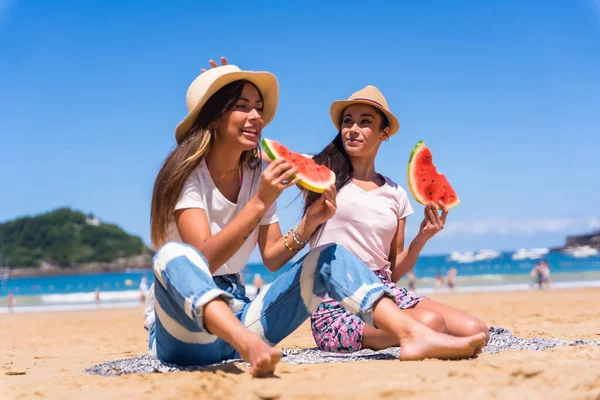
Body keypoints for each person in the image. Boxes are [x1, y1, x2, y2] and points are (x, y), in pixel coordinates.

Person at [143, 60, 487, 377]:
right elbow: (202, 261)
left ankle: (411, 334)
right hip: (183, 334)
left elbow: (274, 258)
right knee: (172, 255)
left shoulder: (257, 175)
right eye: (241, 106)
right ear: (213, 116)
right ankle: (246, 345)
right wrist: (260, 203)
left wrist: (310, 222)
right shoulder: (190, 177)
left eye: (258, 108)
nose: (256, 117)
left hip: (242, 315)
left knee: (329, 253)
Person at [306, 85, 489, 353]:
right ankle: (416, 337)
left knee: (477, 330)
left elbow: (393, 271)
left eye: (365, 122)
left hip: (386, 295)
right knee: (431, 323)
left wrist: (422, 237)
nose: (353, 129)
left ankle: (416, 335)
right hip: (337, 302)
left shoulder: (396, 194)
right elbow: (260, 157)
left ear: (384, 133)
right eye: (348, 121)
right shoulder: (321, 175)